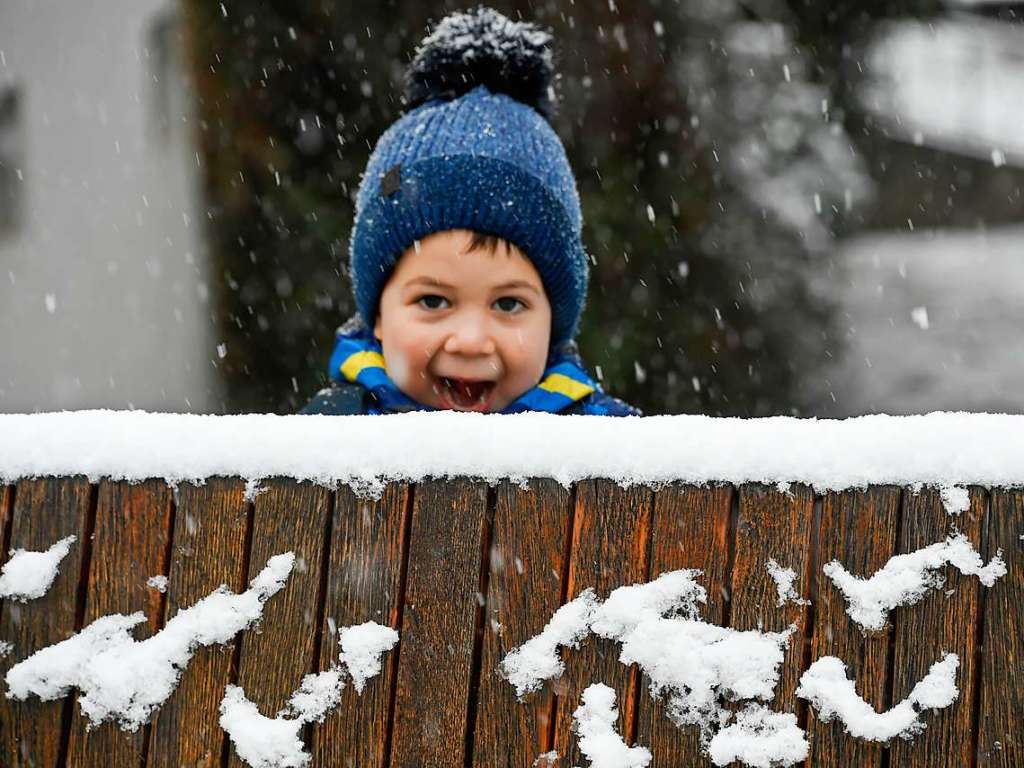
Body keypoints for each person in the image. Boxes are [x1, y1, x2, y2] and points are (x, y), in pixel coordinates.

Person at [301, 6, 640, 416]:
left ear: (552, 325)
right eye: (432, 300)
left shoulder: (607, 450)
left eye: (509, 304)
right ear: (378, 318)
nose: (471, 340)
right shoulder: (330, 442)